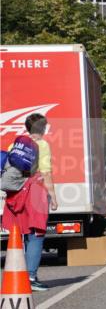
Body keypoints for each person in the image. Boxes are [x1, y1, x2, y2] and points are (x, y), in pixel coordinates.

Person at [2, 113, 57, 291]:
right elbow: (46, 172)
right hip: (35, 192)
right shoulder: (43, 145)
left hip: (17, 193)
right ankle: (31, 277)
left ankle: (23, 274)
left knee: (23, 233)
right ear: (43, 128)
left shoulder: (15, 145)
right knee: (36, 235)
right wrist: (53, 197)